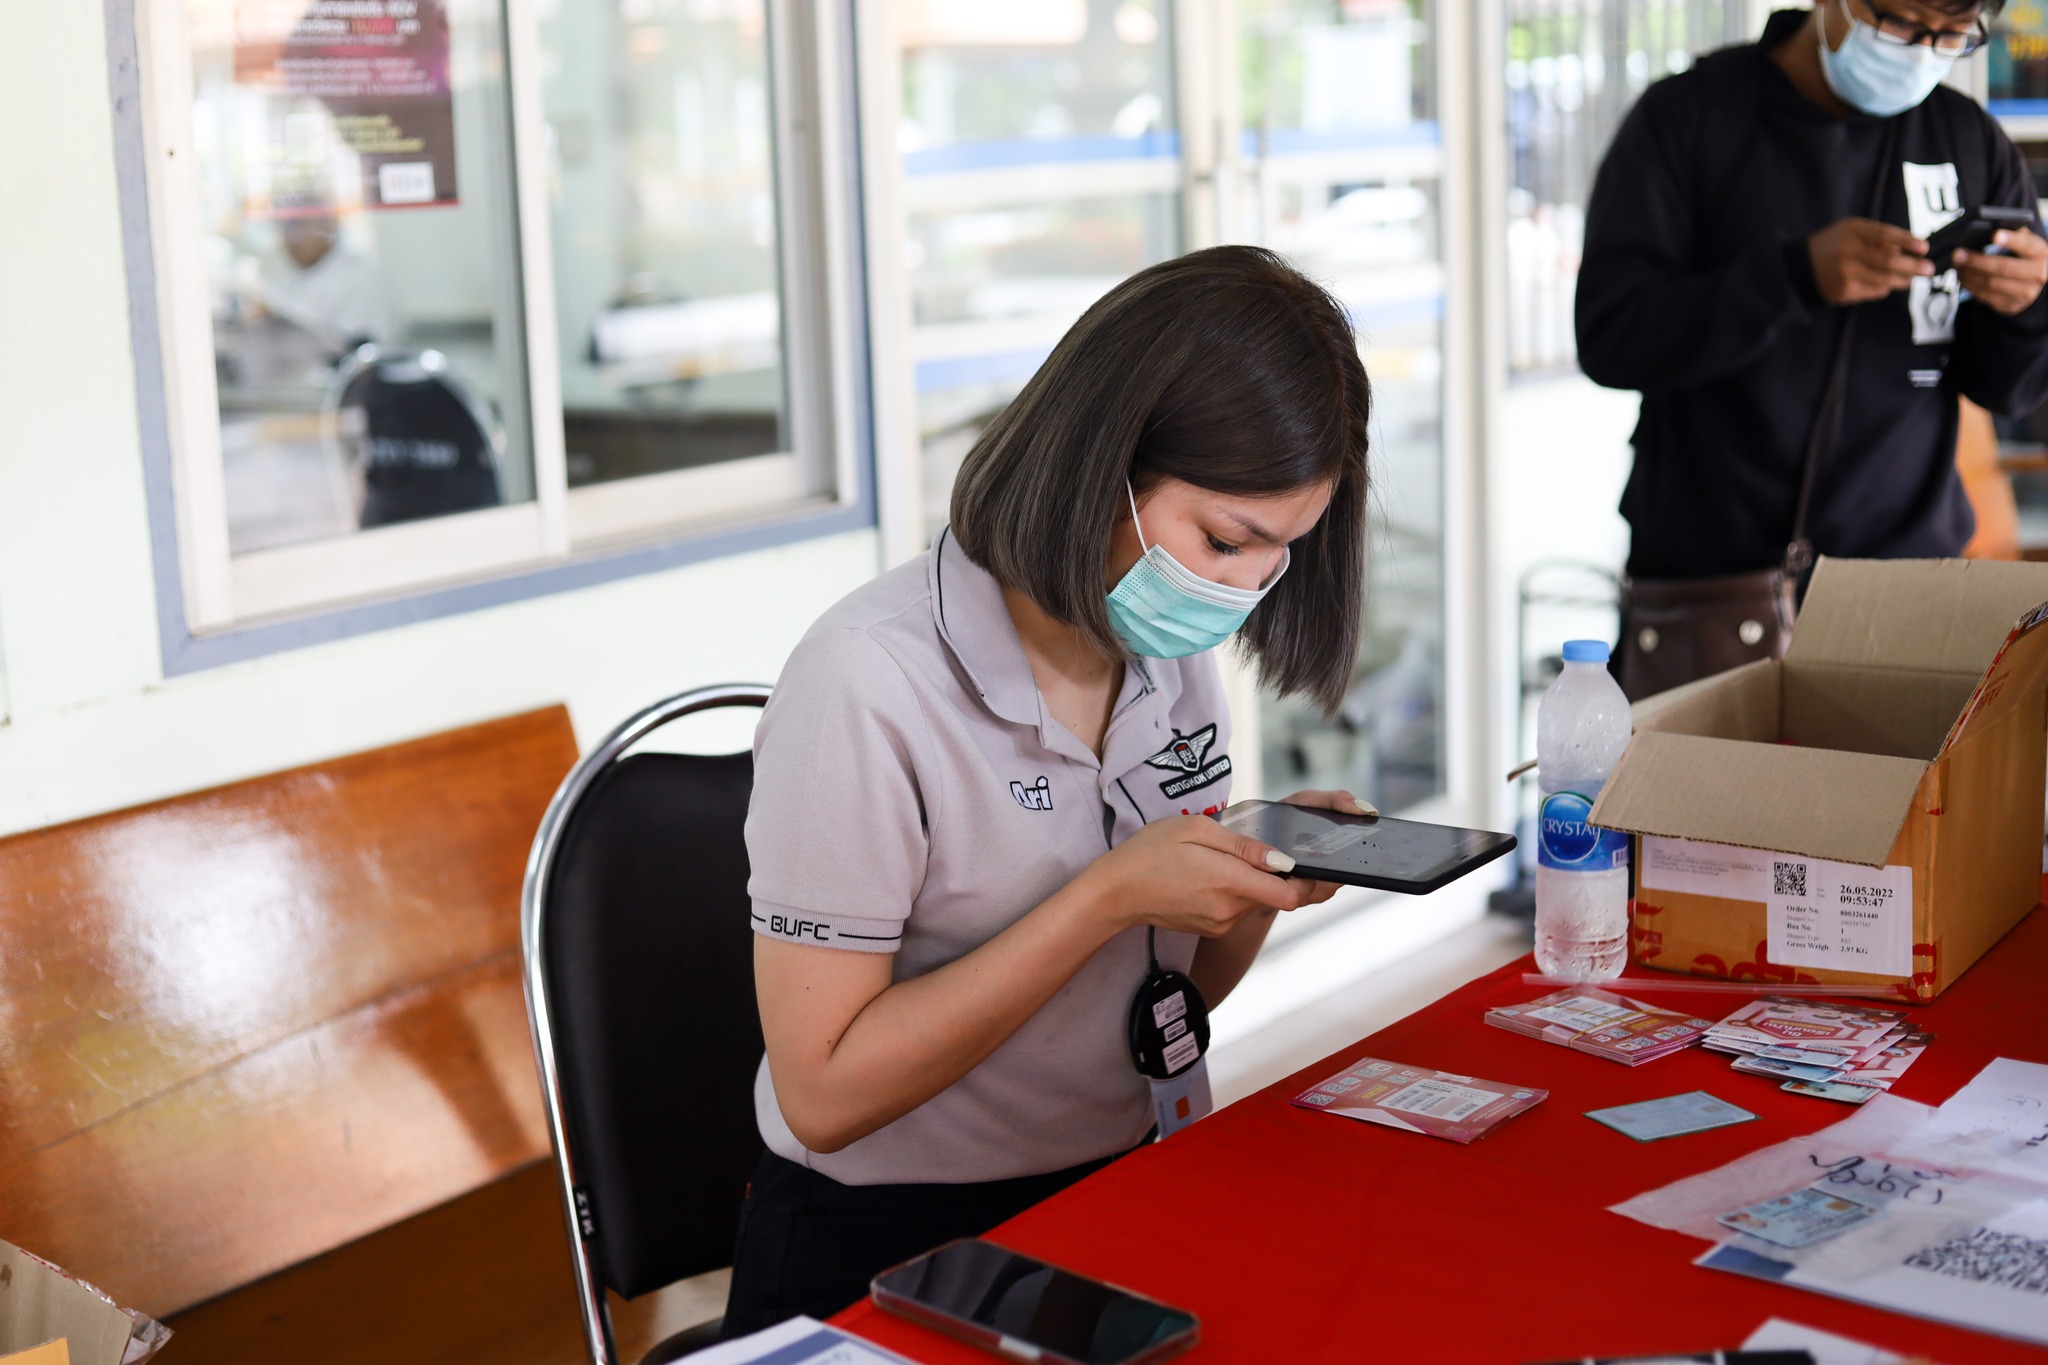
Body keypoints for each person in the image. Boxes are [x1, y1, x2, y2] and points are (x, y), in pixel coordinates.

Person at [725, 245, 1374, 1333]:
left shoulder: (1165, 655)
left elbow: (1162, 1003)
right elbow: (824, 1097)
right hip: (893, 1244)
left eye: (1278, 557)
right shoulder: (867, 683)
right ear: (1100, 466)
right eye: (1223, 541)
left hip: (1123, 1179)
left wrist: (1259, 881)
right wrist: (1107, 897)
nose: (1241, 591)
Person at [1576, 0, 2048, 697]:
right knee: (1698, 807)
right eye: (1901, 24)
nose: (1922, 51)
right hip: (1713, 586)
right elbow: (1611, 336)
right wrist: (1793, 276)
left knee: (1909, 810)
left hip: (1909, 588)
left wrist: (2026, 307)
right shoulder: (1691, 116)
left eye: (1951, 37)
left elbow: (2009, 387)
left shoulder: (1965, 138)